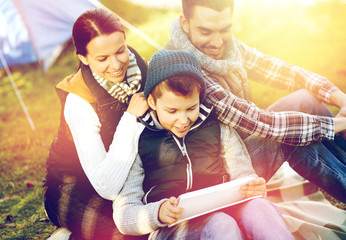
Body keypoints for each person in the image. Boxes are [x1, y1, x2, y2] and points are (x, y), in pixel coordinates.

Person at [164, 0, 346, 202]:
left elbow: (280, 70)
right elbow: (264, 124)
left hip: (240, 146)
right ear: (185, 23)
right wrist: (335, 125)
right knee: (288, 137)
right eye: (206, 32)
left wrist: (339, 98)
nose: (217, 42)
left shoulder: (230, 49)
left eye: (224, 30)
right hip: (217, 177)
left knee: (305, 99)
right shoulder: (183, 70)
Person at [113, 50, 294, 240]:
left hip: (226, 210)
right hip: (173, 230)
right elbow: (124, 215)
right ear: (152, 102)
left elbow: (243, 174)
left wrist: (249, 187)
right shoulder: (138, 139)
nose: (183, 120)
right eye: (172, 111)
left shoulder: (217, 127)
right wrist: (157, 213)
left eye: (191, 108)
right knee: (220, 224)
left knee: (261, 208)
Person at [44, 8, 149, 240]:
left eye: (120, 51)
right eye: (102, 59)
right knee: (127, 235)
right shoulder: (79, 102)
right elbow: (107, 187)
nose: (116, 65)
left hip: (131, 178)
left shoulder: (143, 71)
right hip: (74, 190)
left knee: (156, 225)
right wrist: (130, 118)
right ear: (83, 58)